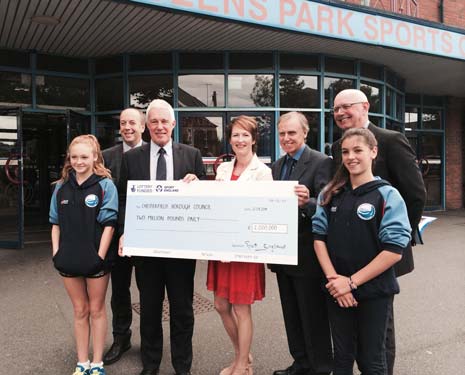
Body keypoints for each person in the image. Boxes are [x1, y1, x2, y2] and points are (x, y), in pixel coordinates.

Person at [331, 89, 426, 375]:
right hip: (348, 256)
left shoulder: (390, 140)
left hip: (382, 254)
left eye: (346, 106)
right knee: (352, 327)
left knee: (380, 332)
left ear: (365, 106)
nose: (340, 113)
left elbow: (415, 193)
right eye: (335, 109)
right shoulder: (338, 146)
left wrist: (395, 238)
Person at [312, 128, 412, 374]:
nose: (351, 157)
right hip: (337, 290)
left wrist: (352, 283)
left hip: (374, 292)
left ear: (373, 152)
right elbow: (318, 238)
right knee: (342, 359)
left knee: (372, 360)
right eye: (345, 152)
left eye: (358, 150)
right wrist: (335, 281)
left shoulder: (388, 195)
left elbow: (394, 251)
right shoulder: (330, 194)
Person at [118, 99, 205, 375]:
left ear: (173, 124)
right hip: (147, 250)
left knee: (182, 311)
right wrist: (124, 233)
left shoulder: (191, 155)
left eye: (164, 121)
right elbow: (123, 199)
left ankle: (182, 366)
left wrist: (197, 185)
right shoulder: (132, 158)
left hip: (181, 250)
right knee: (150, 309)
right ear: (147, 125)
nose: (159, 126)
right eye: (153, 121)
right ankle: (151, 363)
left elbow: (204, 201)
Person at [207, 116, 272, 375]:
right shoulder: (222, 169)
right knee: (221, 305)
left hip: (245, 250)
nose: (240, 140)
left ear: (254, 139)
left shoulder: (263, 172)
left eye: (246, 135)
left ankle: (242, 365)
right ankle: (241, 356)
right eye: (236, 135)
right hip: (221, 248)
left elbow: (264, 212)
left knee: (241, 308)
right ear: (230, 139)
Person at [270, 112, 333, 375]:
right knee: (291, 314)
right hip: (281, 254)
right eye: (282, 133)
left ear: (305, 133)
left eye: (292, 133)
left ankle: (320, 367)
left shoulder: (321, 162)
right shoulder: (276, 166)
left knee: (312, 315)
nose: (286, 138)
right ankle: (301, 362)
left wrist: (308, 202)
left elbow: (330, 204)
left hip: (307, 255)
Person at [49, 135, 118, 375]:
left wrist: (99, 255)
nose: (79, 161)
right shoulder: (61, 187)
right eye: (74, 157)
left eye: (84, 157)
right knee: (80, 310)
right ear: (70, 158)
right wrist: (56, 252)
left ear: (95, 157)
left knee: (97, 310)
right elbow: (55, 223)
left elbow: (109, 224)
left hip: (95, 261)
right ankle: (82, 362)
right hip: (68, 259)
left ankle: (97, 363)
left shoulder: (105, 185)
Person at [102, 108, 146, 365]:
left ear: (143, 126)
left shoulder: (154, 154)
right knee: (119, 290)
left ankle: (149, 341)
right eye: (122, 123)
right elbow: (108, 197)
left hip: (146, 237)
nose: (127, 127)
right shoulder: (106, 157)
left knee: (149, 291)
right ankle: (121, 337)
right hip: (116, 235)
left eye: (132, 122)